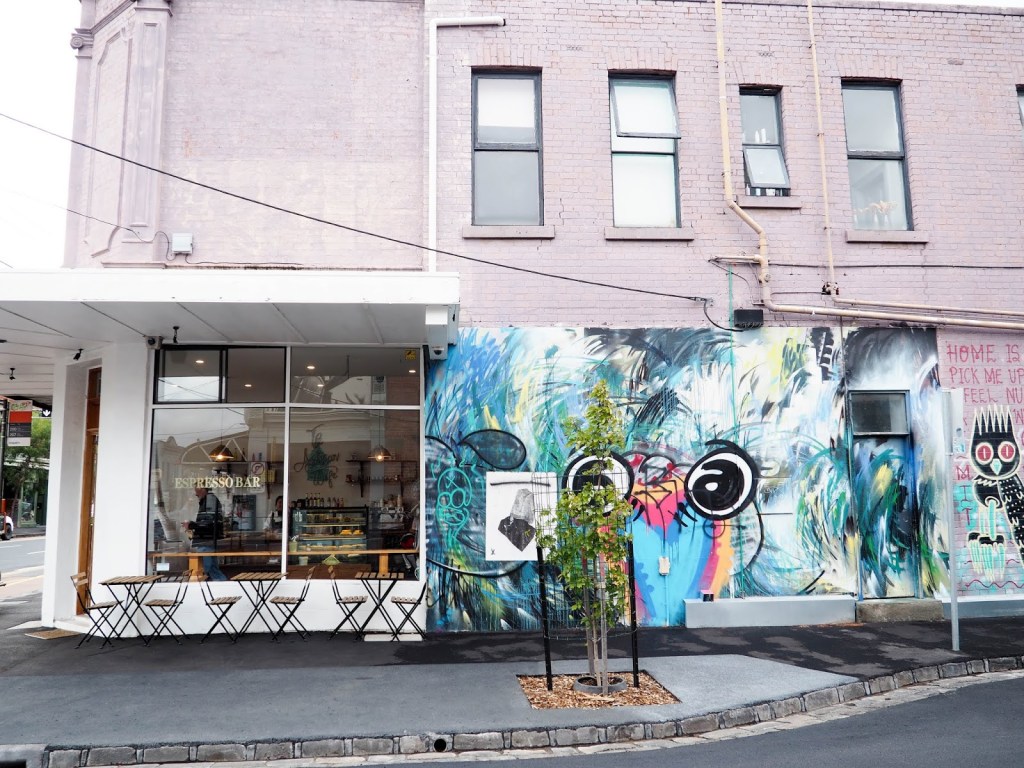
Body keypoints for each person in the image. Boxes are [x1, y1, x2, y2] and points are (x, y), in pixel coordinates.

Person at [185, 487, 227, 580]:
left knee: (206, 568)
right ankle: (223, 585)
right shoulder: (209, 500)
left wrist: (191, 525)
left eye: (197, 491)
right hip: (208, 540)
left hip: (206, 540)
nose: (196, 494)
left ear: (203, 489)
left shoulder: (209, 500)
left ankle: (223, 585)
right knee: (213, 569)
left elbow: (208, 523)